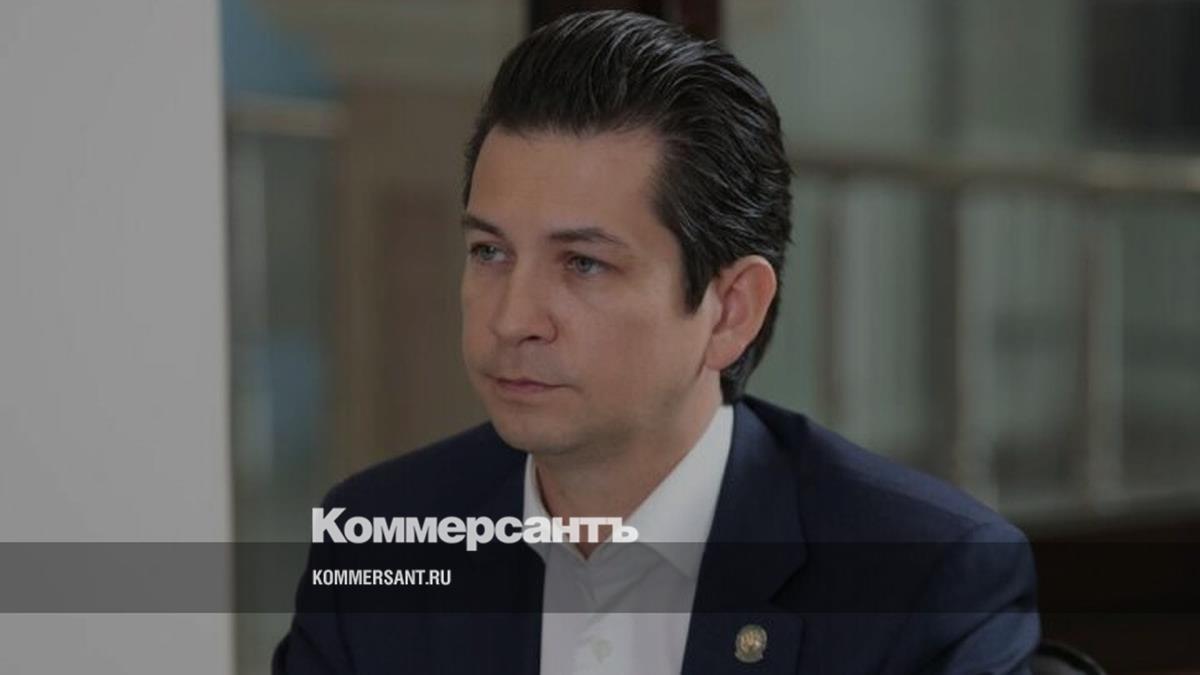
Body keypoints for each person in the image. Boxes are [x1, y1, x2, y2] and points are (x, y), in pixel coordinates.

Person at [273, 10, 1040, 674]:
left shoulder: (922, 580)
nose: (511, 319)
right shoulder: (381, 541)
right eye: (490, 252)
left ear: (730, 310)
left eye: (583, 263)